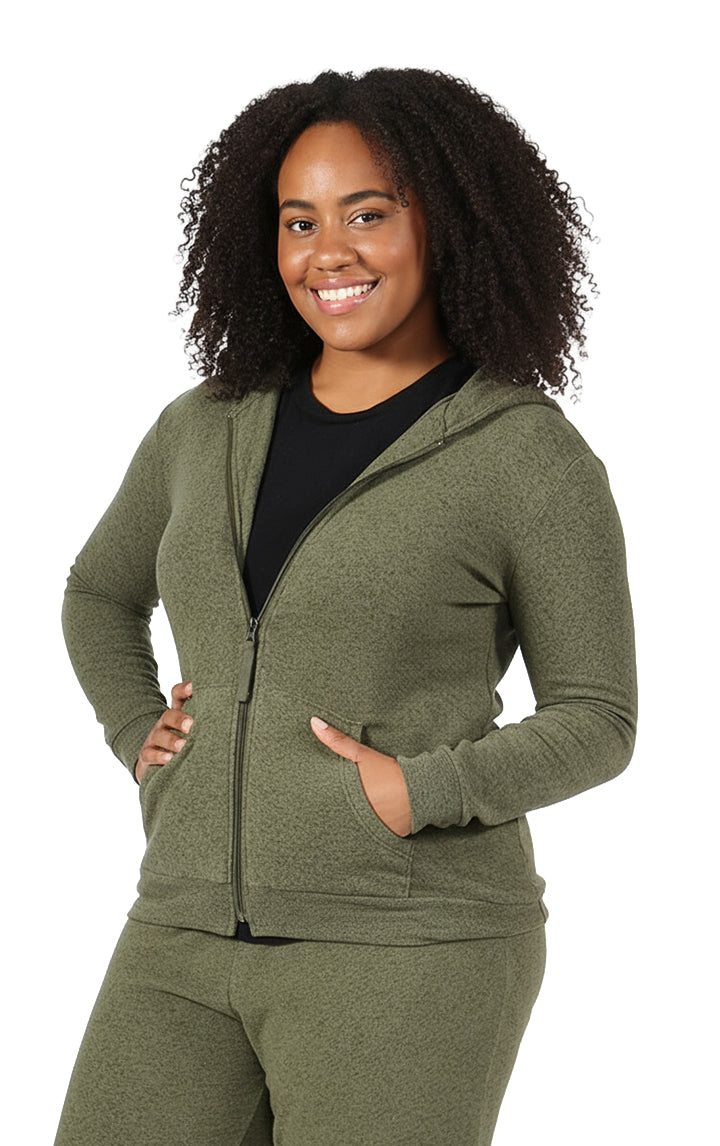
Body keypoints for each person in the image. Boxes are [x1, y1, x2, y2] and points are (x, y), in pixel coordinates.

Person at [54, 68, 637, 1146]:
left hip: (410, 948)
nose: (329, 251)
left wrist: (423, 790)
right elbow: (98, 591)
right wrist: (140, 734)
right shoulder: (203, 427)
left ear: (446, 225)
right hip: (181, 927)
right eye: (300, 220)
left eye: (368, 214)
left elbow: (598, 718)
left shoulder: (525, 455)